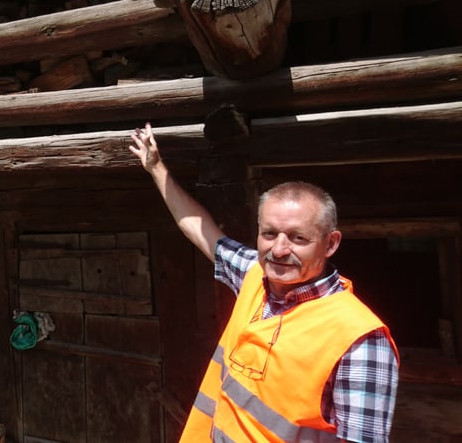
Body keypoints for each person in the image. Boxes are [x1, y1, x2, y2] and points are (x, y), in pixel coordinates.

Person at [129, 123, 399, 442]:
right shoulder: (254, 274)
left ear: (330, 243)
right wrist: (156, 168)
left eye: (298, 238)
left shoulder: (360, 338)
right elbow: (199, 230)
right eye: (269, 234)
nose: (280, 249)